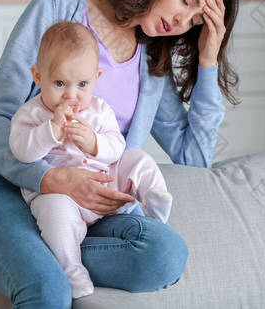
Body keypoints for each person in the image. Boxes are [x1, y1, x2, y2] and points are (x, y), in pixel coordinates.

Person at [0, 0, 239, 309]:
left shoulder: (152, 59)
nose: (183, 21)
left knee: (164, 256)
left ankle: (1, 261)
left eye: (197, 20)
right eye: (186, 0)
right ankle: (6, 265)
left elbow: (194, 159)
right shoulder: (59, 5)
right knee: (49, 291)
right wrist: (48, 179)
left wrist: (208, 59)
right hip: (4, 184)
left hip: (85, 209)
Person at [11, 21, 173, 299]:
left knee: (137, 159)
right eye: (59, 83)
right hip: (62, 197)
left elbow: (116, 147)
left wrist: (94, 143)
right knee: (54, 213)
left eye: (82, 84)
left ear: (96, 79)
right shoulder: (32, 114)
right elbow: (22, 151)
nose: (71, 95)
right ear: (38, 78)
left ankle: (154, 199)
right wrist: (51, 131)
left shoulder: (99, 110)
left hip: (103, 182)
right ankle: (71, 268)